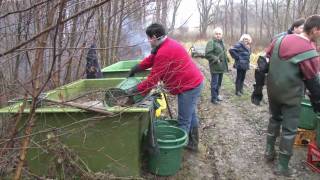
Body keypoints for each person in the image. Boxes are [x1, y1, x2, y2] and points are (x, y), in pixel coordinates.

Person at [251, 15, 320, 176]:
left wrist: (258, 88)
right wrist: (317, 102)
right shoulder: (308, 50)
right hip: (292, 95)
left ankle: (269, 152)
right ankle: (282, 166)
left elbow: (263, 62)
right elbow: (312, 81)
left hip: (273, 91)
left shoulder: (280, 39)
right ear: (315, 30)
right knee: (289, 130)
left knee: (274, 119)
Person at [127, 23, 204, 151]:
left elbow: (152, 79)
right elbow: (151, 59)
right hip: (191, 82)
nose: (148, 40)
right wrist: (137, 68)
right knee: (191, 114)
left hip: (189, 86)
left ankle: (176, 152)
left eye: (148, 38)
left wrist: (134, 90)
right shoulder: (165, 44)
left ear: (154, 37)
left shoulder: (164, 51)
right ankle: (193, 143)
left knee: (184, 121)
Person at [205, 27, 229, 104]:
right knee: (214, 83)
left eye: (219, 34)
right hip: (215, 66)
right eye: (216, 34)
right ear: (214, 34)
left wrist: (227, 58)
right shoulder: (211, 42)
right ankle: (213, 98)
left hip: (221, 67)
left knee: (219, 83)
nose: (218, 35)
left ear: (221, 35)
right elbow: (208, 54)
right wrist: (216, 59)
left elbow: (223, 53)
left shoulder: (221, 42)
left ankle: (217, 95)